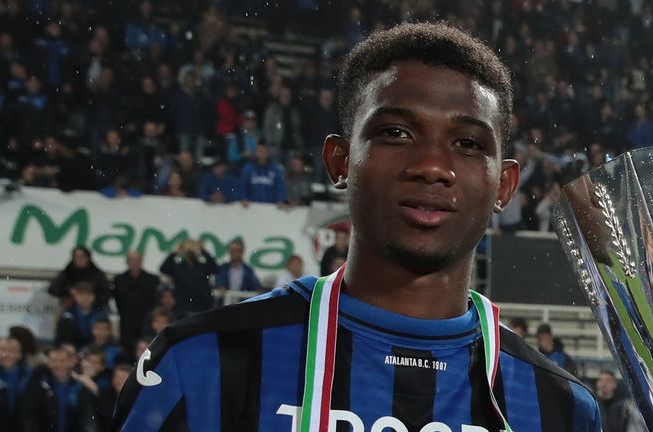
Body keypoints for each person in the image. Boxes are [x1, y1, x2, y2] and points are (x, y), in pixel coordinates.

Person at [114, 23, 600, 431]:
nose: (433, 165)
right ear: (340, 160)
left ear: (505, 186)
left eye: (469, 143)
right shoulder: (201, 363)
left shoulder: (561, 408)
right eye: (395, 133)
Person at [112, 251, 160, 354]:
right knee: (127, 349)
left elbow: (155, 300)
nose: (134, 262)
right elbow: (117, 299)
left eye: (136, 260)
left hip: (146, 320)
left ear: (141, 261)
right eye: (131, 260)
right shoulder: (119, 279)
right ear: (127, 262)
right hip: (127, 321)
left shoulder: (152, 279)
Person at [159, 239, 218, 314]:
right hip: (182, 305)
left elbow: (215, 267)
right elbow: (163, 268)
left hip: (202, 304)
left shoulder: (202, 266)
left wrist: (202, 250)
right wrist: (175, 252)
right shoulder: (178, 267)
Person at [48, 245, 111, 310]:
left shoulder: (96, 274)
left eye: (82, 257)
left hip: (95, 307)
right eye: (76, 257)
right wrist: (69, 293)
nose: (78, 260)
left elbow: (106, 292)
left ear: (88, 258)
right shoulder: (68, 272)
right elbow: (52, 288)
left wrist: (91, 299)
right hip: (71, 306)